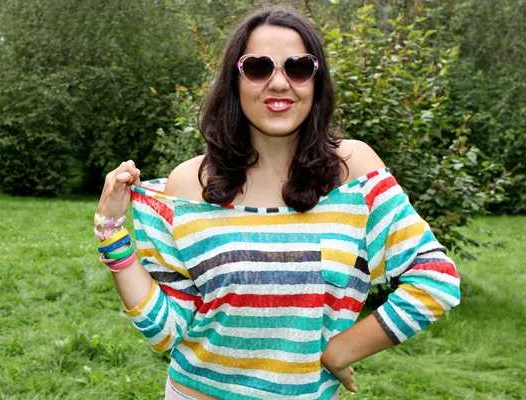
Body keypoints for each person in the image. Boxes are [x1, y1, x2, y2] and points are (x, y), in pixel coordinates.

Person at [94, 5, 461, 400]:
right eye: (258, 67)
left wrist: (338, 351)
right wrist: (110, 231)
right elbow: (167, 333)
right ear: (234, 81)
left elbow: (434, 280)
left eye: (299, 67)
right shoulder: (189, 184)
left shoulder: (354, 172)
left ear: (316, 82)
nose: (280, 82)